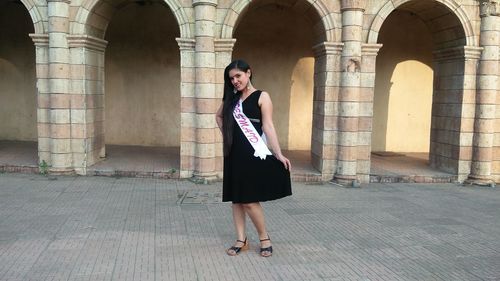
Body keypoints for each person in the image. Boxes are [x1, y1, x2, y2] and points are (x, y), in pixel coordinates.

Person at [215, 60, 292, 257]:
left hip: (252, 153)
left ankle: (264, 237)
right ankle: (242, 240)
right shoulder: (232, 98)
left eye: (238, 76)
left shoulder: (262, 96)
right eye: (231, 78)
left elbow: (268, 126)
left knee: (249, 200)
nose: (234, 81)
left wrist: (278, 153)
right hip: (233, 154)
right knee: (236, 200)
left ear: (248, 73)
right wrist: (228, 135)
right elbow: (219, 116)